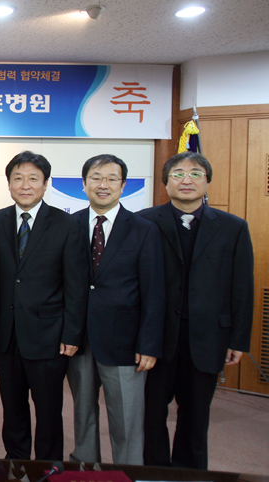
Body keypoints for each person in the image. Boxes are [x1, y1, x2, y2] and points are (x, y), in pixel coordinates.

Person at [139, 151, 254, 470]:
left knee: (195, 417)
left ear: (207, 181)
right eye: (177, 174)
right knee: (151, 416)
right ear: (166, 182)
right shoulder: (144, 222)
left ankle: (191, 475)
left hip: (207, 339)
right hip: (156, 339)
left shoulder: (233, 227)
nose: (186, 180)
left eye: (195, 174)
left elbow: (242, 287)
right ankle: (155, 474)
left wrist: (238, 340)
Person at [0, 150, 88, 461]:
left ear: (45, 184)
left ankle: (48, 466)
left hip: (49, 337)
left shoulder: (66, 224)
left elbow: (76, 285)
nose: (25, 185)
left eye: (33, 178)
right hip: (6, 336)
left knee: (48, 410)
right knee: (12, 407)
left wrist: (72, 334)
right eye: (18, 178)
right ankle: (16, 462)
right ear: (9, 184)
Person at [66, 154, 165, 465]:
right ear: (84, 184)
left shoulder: (144, 229)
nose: (103, 184)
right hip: (78, 340)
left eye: (111, 178)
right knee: (82, 414)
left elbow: (154, 292)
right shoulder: (69, 225)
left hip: (125, 343)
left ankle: (127, 471)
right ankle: (85, 467)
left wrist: (149, 345)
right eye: (96, 178)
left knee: (126, 421)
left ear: (123, 186)